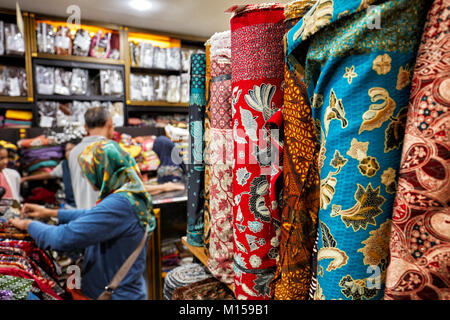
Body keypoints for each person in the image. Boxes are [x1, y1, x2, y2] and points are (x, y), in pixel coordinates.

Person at [9, 140, 155, 300]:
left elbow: (62, 238)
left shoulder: (119, 203)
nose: (87, 176)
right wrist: (48, 212)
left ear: (102, 169)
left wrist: (29, 225)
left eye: (90, 171)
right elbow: (92, 215)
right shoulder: (129, 193)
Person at [69, 106, 114, 209]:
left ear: (85, 127)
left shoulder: (73, 152)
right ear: (109, 123)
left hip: (83, 216)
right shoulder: (110, 149)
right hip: (107, 217)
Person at [20, 140, 79, 208]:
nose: (68, 153)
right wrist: (26, 178)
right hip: (71, 204)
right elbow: (50, 175)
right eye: (66, 150)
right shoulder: (64, 165)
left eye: (71, 149)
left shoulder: (84, 165)